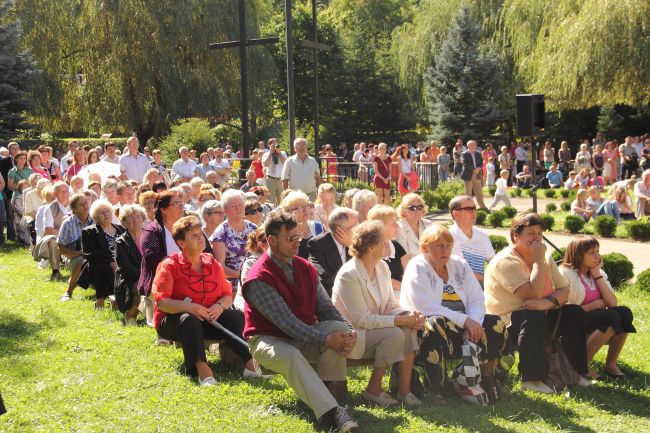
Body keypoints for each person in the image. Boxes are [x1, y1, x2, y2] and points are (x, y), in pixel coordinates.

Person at [242, 210, 358, 432]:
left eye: (298, 237)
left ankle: (332, 396)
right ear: (271, 240)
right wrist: (326, 339)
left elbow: (325, 307)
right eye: (290, 238)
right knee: (292, 354)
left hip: (305, 332)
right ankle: (331, 415)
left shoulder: (305, 267)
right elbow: (288, 324)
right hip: (268, 339)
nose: (297, 243)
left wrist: (348, 331)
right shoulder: (258, 277)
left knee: (339, 329)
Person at [484, 213, 590, 394]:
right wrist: (538, 259)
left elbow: (564, 290)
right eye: (531, 233)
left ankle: (576, 373)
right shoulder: (505, 261)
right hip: (506, 323)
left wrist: (545, 304)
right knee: (533, 317)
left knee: (574, 312)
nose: (537, 238)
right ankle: (531, 378)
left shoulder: (544, 256)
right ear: (515, 236)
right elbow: (532, 293)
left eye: (540, 233)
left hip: (541, 311)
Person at [152, 215, 263, 383]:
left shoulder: (211, 262)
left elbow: (227, 296)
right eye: (194, 236)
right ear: (181, 243)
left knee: (235, 316)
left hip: (209, 319)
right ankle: (201, 367)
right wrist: (190, 307)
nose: (200, 238)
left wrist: (219, 306)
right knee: (188, 319)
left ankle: (249, 363)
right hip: (176, 322)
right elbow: (163, 303)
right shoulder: (170, 265)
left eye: (200, 234)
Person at [401, 224, 506, 398]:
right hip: (426, 327)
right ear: (424, 248)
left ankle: (483, 378)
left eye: (448, 245)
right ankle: (436, 387)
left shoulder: (459, 264)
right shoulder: (417, 266)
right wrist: (465, 321)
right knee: (435, 323)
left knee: (495, 323)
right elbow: (426, 307)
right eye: (439, 246)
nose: (445, 250)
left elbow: (476, 298)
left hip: (464, 325)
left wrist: (473, 324)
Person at [332, 220, 423, 406]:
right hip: (352, 336)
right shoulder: (349, 274)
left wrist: (408, 314)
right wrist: (399, 320)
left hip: (375, 330)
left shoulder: (382, 267)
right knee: (396, 332)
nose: (388, 245)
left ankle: (404, 392)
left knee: (408, 329)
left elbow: (389, 303)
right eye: (384, 242)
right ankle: (373, 389)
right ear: (371, 247)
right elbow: (362, 320)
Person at [559, 236, 635, 379]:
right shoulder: (565, 273)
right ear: (578, 255)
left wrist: (596, 275)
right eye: (592, 252)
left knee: (624, 313)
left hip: (595, 319)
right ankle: (581, 365)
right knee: (611, 317)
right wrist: (593, 305)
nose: (598, 256)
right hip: (573, 323)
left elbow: (612, 303)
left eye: (598, 251)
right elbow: (565, 311)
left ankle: (611, 364)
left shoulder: (597, 273)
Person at [138, 191, 210, 329]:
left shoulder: (191, 227)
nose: (181, 206)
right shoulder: (152, 231)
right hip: (166, 281)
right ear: (163, 210)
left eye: (181, 203)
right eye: (176, 204)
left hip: (195, 277)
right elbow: (154, 261)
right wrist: (182, 270)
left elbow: (207, 253)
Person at [77, 200, 124, 309]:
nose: (106, 214)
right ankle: (100, 301)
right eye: (102, 213)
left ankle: (118, 299)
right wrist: (111, 262)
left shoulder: (120, 229)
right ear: (95, 216)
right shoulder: (89, 231)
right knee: (103, 268)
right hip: (97, 264)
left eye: (107, 211)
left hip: (121, 262)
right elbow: (90, 253)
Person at [210, 189, 256, 297]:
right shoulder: (221, 233)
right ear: (224, 210)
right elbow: (219, 267)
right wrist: (244, 275)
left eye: (240, 205)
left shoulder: (253, 228)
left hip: (254, 278)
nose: (238, 208)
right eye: (233, 206)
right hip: (231, 285)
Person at [308, 208, 358, 297]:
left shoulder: (356, 242)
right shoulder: (317, 244)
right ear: (340, 230)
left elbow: (366, 266)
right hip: (333, 296)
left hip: (355, 292)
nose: (359, 230)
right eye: (355, 227)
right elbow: (325, 277)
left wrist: (351, 246)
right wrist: (352, 279)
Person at [449, 196, 495, 286]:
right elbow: (463, 272)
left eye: (474, 208)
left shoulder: (481, 234)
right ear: (455, 214)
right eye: (469, 209)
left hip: (480, 287)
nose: (474, 212)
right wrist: (492, 279)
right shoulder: (449, 237)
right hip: (457, 291)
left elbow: (494, 262)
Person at [114, 204, 145, 325]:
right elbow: (126, 269)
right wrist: (146, 277)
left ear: (143, 218)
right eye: (130, 218)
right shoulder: (121, 242)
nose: (135, 221)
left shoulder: (150, 237)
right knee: (141, 286)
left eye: (138, 217)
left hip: (150, 275)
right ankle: (131, 315)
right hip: (129, 280)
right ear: (124, 222)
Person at [281, 190, 324, 259]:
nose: (305, 210)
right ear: (288, 212)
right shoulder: (285, 231)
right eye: (298, 208)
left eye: (306, 205)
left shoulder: (317, 227)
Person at [395, 193, 431, 257]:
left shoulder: (429, 225)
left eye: (420, 207)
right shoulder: (398, 228)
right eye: (412, 208)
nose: (417, 210)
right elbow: (403, 256)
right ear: (403, 210)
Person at [460, 140, 487, 210]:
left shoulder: (478, 153)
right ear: (468, 146)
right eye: (472, 145)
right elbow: (465, 164)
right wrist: (474, 170)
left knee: (479, 192)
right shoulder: (464, 154)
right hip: (468, 174)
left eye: (475, 145)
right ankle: (469, 207)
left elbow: (481, 162)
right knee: (468, 193)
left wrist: (479, 168)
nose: (474, 146)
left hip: (477, 174)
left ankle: (482, 207)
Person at [263, 138, 287, 205]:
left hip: (281, 179)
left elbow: (285, 163)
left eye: (276, 145)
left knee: (282, 199)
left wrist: (279, 153)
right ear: (269, 145)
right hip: (270, 179)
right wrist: (270, 153)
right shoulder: (266, 154)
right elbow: (266, 165)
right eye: (273, 145)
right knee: (270, 200)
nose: (275, 147)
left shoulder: (283, 153)